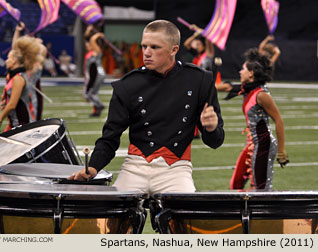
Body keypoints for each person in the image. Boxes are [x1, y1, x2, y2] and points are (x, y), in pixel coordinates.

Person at [69, 20, 224, 195]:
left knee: (185, 215)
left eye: (155, 47)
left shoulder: (199, 80)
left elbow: (215, 142)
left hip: (176, 169)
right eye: (144, 46)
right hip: (135, 167)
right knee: (113, 214)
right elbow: (109, 138)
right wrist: (93, 167)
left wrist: (211, 128)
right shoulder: (128, 85)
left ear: (174, 49)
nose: (147, 53)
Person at [229, 48, 289, 190]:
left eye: (243, 69)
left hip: (264, 144)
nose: (240, 71)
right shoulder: (247, 89)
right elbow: (224, 87)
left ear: (251, 73)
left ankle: (264, 211)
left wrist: (281, 151)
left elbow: (278, 120)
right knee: (236, 183)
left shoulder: (261, 95)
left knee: (261, 188)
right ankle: (244, 210)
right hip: (252, 143)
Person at [0, 36, 40, 132]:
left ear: (14, 61)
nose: (6, 61)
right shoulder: (13, 76)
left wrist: (0, 118)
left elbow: (12, 104)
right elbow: (16, 50)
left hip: (22, 125)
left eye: (8, 58)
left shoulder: (18, 79)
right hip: (15, 123)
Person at [83, 24, 106, 117]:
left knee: (89, 94)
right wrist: (88, 30)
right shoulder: (89, 52)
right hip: (93, 75)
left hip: (98, 74)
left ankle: (99, 106)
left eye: (89, 44)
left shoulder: (96, 51)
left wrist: (99, 35)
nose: (87, 45)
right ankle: (97, 110)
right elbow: (86, 39)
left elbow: (92, 40)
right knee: (92, 93)